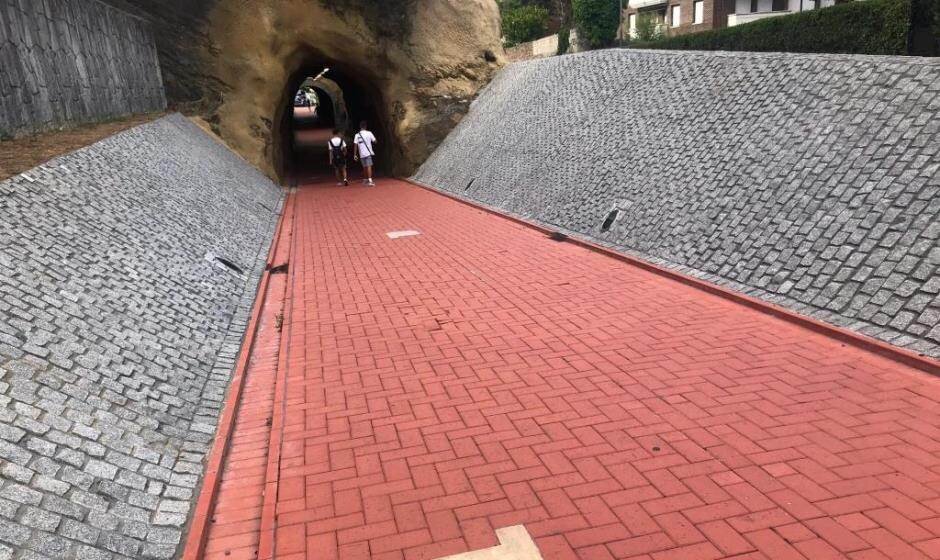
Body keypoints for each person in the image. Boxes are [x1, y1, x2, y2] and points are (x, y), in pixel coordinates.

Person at [353, 121, 377, 186]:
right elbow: (375, 141)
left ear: (360, 127)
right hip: (368, 153)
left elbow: (355, 145)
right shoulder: (369, 133)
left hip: (361, 154)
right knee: (369, 166)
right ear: (365, 126)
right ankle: (370, 180)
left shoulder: (357, 135)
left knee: (364, 167)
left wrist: (355, 154)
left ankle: (365, 179)